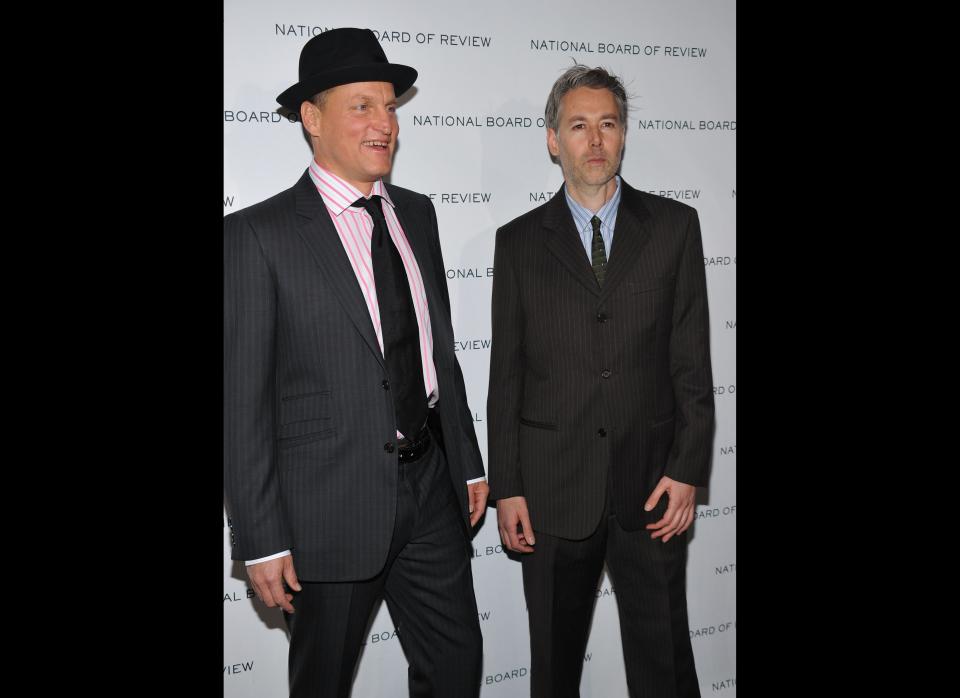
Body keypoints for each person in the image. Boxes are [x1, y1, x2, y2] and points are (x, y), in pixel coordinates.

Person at [224, 27, 488, 698]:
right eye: (362, 106)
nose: (384, 123)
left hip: (431, 486)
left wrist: (469, 458)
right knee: (324, 682)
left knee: (455, 669)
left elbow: (438, 353)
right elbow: (242, 398)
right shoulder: (258, 235)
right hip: (328, 503)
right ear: (312, 118)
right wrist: (260, 539)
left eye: (391, 106)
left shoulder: (419, 215)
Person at [487, 64, 714, 698]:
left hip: (652, 487)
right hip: (553, 490)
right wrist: (508, 487)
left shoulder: (674, 227)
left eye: (607, 125)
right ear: (553, 140)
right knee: (554, 669)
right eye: (578, 125)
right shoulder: (518, 243)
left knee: (664, 663)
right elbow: (505, 375)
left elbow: (692, 364)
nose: (594, 140)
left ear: (623, 136)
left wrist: (689, 467)